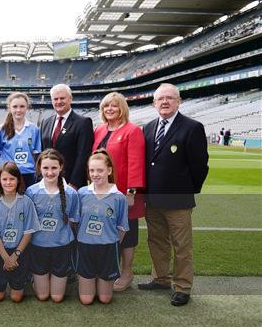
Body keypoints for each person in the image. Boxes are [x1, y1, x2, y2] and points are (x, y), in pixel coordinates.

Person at [139, 83, 209, 307]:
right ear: (154, 103)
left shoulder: (192, 127)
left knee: (181, 245)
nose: (165, 102)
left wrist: (187, 189)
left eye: (170, 98)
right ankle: (161, 278)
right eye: (160, 99)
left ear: (179, 101)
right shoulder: (148, 127)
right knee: (156, 241)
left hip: (178, 201)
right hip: (152, 200)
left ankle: (182, 287)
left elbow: (200, 166)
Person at [93, 92, 145, 291]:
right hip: (103, 193)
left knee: (127, 235)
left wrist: (131, 192)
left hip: (124, 193)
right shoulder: (99, 130)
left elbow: (135, 163)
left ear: (122, 108)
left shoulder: (132, 131)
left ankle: (127, 272)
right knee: (107, 232)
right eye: (106, 106)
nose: (109, 109)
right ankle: (108, 270)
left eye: (114, 106)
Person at [25, 149, 79, 302]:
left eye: (54, 168)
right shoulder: (32, 191)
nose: (50, 172)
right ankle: (35, 277)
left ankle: (58, 276)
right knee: (42, 296)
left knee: (56, 297)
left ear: (61, 167)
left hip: (61, 247)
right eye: (46, 168)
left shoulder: (71, 193)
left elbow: (74, 221)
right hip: (38, 247)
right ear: (39, 168)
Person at [77, 150, 128, 305]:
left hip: (108, 248)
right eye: (92, 170)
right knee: (86, 300)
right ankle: (90, 279)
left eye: (100, 170)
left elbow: (122, 227)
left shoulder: (119, 197)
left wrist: (111, 244)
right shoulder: (82, 193)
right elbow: (75, 222)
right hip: (85, 248)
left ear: (109, 171)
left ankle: (102, 278)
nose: (95, 174)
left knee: (105, 299)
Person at [0, 162, 39, 302]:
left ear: (18, 180)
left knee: (16, 298)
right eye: (4, 179)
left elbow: (29, 231)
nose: (8, 182)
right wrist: (6, 258)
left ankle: (25, 280)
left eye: (12, 179)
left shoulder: (26, 202)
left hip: (19, 252)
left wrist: (14, 256)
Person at [40, 84, 93, 190]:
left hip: (71, 184)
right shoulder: (45, 123)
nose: (59, 101)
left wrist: (74, 183)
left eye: (62, 98)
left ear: (70, 99)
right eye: (55, 99)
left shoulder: (83, 123)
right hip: (49, 182)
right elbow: (42, 153)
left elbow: (83, 155)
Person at [0, 92, 42, 190]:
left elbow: (36, 155)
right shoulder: (1, 129)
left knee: (28, 203)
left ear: (27, 107)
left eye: (22, 106)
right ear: (9, 108)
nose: (18, 110)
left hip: (28, 174)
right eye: (15, 106)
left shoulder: (34, 129)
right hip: (8, 175)